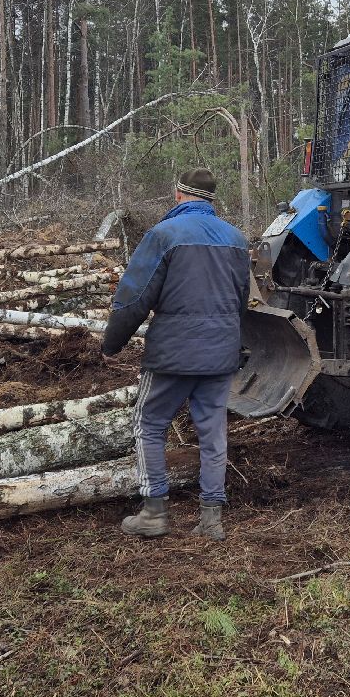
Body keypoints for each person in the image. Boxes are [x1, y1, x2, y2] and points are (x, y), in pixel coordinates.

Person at [101, 167, 250, 541]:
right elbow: (241, 300)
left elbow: (134, 297)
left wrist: (111, 344)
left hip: (173, 353)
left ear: (178, 195)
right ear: (210, 199)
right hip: (220, 352)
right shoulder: (236, 239)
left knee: (149, 425)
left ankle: (154, 512)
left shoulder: (164, 235)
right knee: (213, 432)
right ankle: (211, 520)